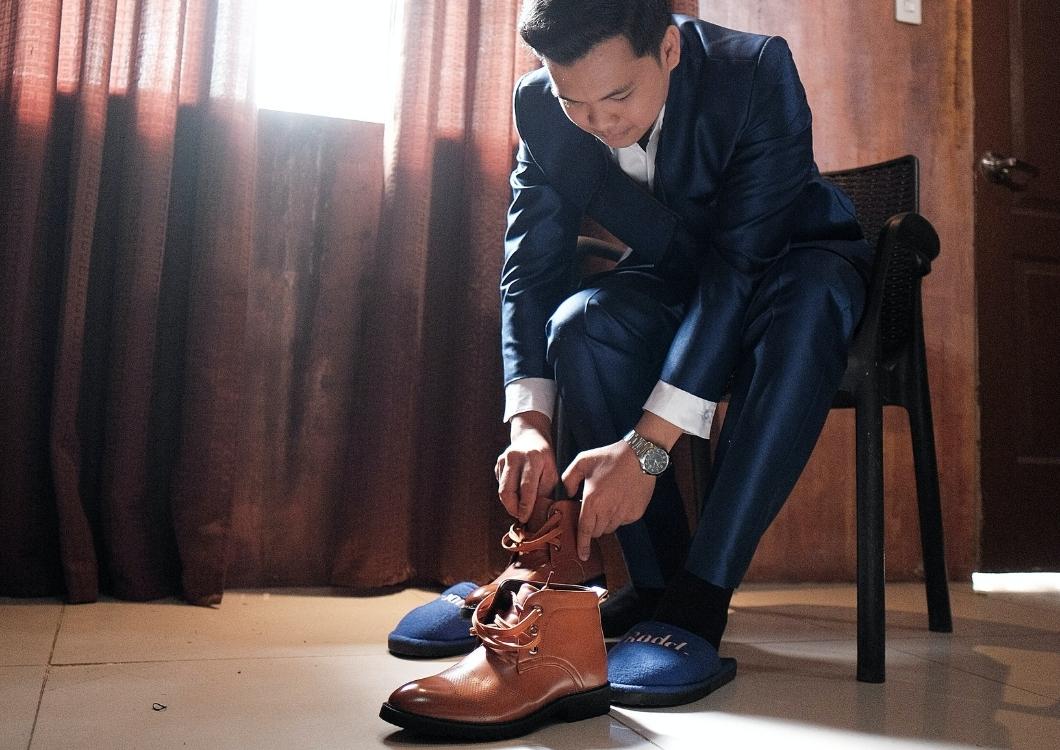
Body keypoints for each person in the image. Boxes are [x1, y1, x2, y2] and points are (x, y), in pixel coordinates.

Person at [495, 0, 871, 707]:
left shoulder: (755, 71)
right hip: (677, 275)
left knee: (804, 306)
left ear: (668, 49)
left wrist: (646, 449)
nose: (599, 123)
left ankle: (700, 597)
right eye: (575, 102)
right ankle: (658, 587)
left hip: (792, 264)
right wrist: (529, 424)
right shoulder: (540, 108)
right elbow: (531, 271)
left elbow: (739, 267)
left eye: (618, 96)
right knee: (582, 324)